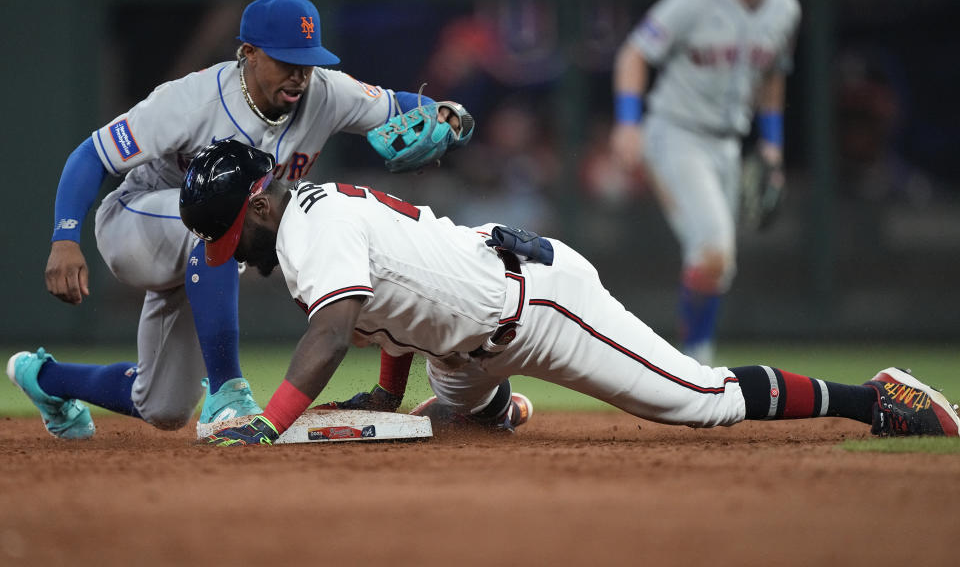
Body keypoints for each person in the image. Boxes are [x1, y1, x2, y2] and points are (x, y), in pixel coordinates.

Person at [175, 140, 958, 446]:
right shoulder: (313, 220)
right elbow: (390, 311)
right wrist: (385, 400)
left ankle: (874, 399)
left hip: (540, 307)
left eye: (231, 234)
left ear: (260, 203)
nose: (234, 254)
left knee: (701, 399)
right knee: (450, 428)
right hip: (465, 342)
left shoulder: (308, 230)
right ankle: (497, 406)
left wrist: (267, 427)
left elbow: (334, 329)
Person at [7, 0, 472, 440]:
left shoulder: (327, 93)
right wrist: (64, 238)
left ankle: (44, 377)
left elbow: (411, 108)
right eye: (286, 61)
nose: (300, 75)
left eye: (307, 61)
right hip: (136, 221)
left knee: (165, 406)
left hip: (200, 249)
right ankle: (229, 392)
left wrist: (448, 118)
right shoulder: (190, 100)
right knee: (221, 216)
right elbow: (92, 156)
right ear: (248, 52)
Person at [609, 0, 800, 364]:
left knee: (718, 264)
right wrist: (627, 123)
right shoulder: (691, 0)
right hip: (675, 134)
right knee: (713, 246)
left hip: (728, 144)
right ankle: (696, 363)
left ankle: (691, 359)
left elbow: (773, 76)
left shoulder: (786, 9)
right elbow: (633, 55)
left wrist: (772, 146)